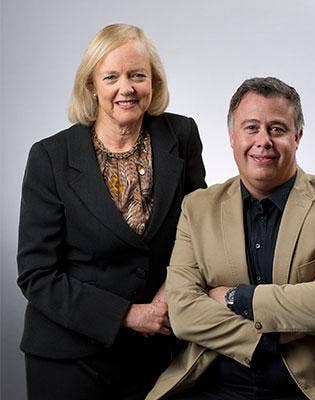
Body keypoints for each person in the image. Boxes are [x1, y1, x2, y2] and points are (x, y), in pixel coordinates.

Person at [146, 77, 315, 400]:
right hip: (217, 384)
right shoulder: (197, 208)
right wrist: (273, 336)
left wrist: (233, 297)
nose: (263, 141)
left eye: (277, 129)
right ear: (232, 137)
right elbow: (183, 313)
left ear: (297, 137)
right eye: (251, 128)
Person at [17, 23, 206, 400]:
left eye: (138, 75)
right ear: (91, 85)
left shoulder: (181, 135)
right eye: (111, 77)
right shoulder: (50, 157)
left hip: (158, 351)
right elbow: (37, 275)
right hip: (70, 355)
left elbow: (198, 233)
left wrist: (167, 295)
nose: (127, 88)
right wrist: (130, 315)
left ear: (153, 81)